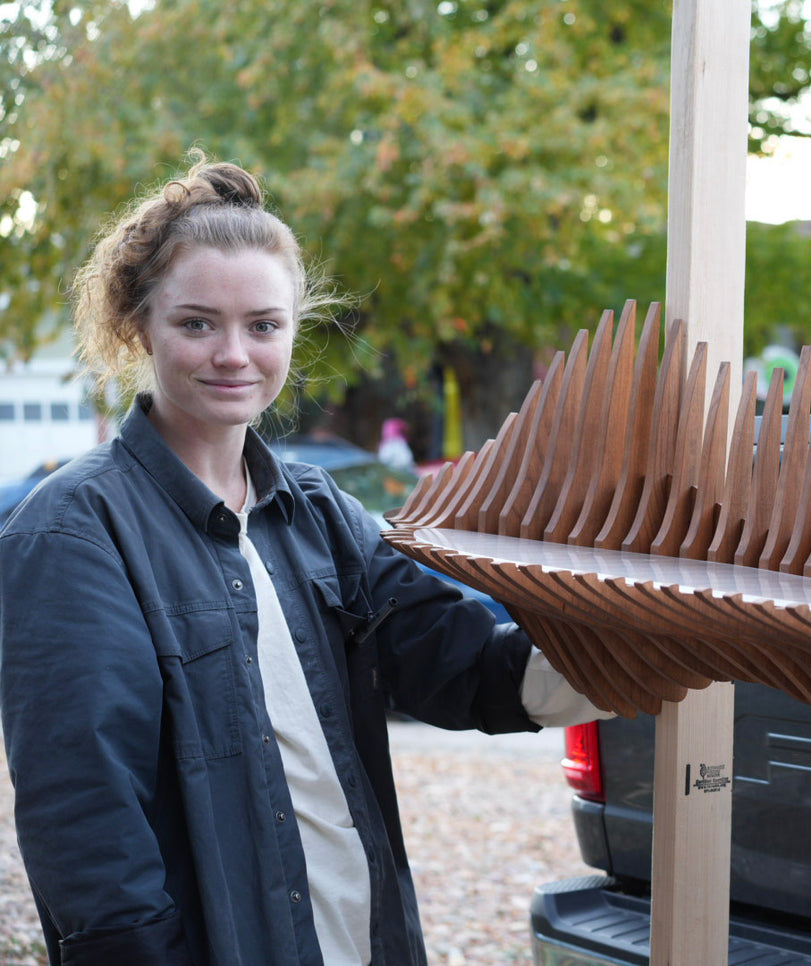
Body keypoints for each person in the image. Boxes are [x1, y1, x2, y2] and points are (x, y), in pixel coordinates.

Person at [0, 156, 606, 966]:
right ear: (141, 327)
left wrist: (633, 655)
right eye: (196, 323)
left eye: (263, 325)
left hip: (363, 934)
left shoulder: (319, 513)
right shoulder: (75, 532)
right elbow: (86, 816)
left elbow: (463, 666)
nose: (233, 355)